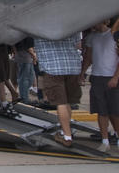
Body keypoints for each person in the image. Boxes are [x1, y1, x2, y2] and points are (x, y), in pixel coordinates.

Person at [34, 33, 82, 147]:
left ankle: (67, 136)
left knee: (60, 103)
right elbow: (78, 44)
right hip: (72, 66)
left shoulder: (38, 28)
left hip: (53, 67)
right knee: (68, 102)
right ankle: (65, 131)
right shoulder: (71, 26)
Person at [80, 17, 119, 154]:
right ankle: (105, 141)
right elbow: (88, 57)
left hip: (111, 77)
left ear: (104, 21)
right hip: (97, 77)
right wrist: (83, 73)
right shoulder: (92, 37)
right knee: (101, 110)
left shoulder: (114, 35)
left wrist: (116, 77)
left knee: (115, 111)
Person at [0, 44, 20, 112]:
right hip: (0, 47)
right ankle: (1, 102)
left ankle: (0, 102)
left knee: (0, 76)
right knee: (1, 76)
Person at [14, 38, 37, 104]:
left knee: (29, 78)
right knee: (24, 79)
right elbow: (28, 47)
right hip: (24, 57)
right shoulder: (25, 33)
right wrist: (34, 56)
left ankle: (24, 97)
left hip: (26, 57)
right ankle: (24, 98)